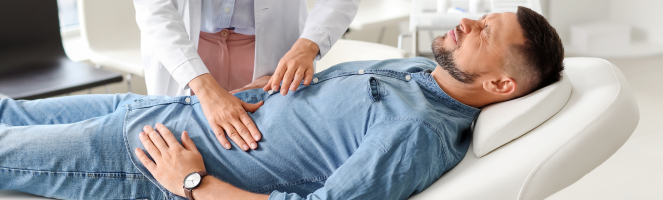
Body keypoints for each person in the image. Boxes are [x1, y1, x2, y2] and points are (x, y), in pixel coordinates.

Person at [0, 7, 563, 200]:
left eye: (483, 33)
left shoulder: (416, 133)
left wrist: (195, 185)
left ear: (500, 87)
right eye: (481, 17)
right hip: (160, 110)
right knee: (8, 112)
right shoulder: (421, 71)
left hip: (147, 158)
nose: (465, 22)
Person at [134, 0, 360, 152]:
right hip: (188, 50)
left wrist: (308, 46)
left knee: (265, 153)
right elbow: (154, 8)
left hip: (270, 50)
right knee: (177, 153)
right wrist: (206, 90)